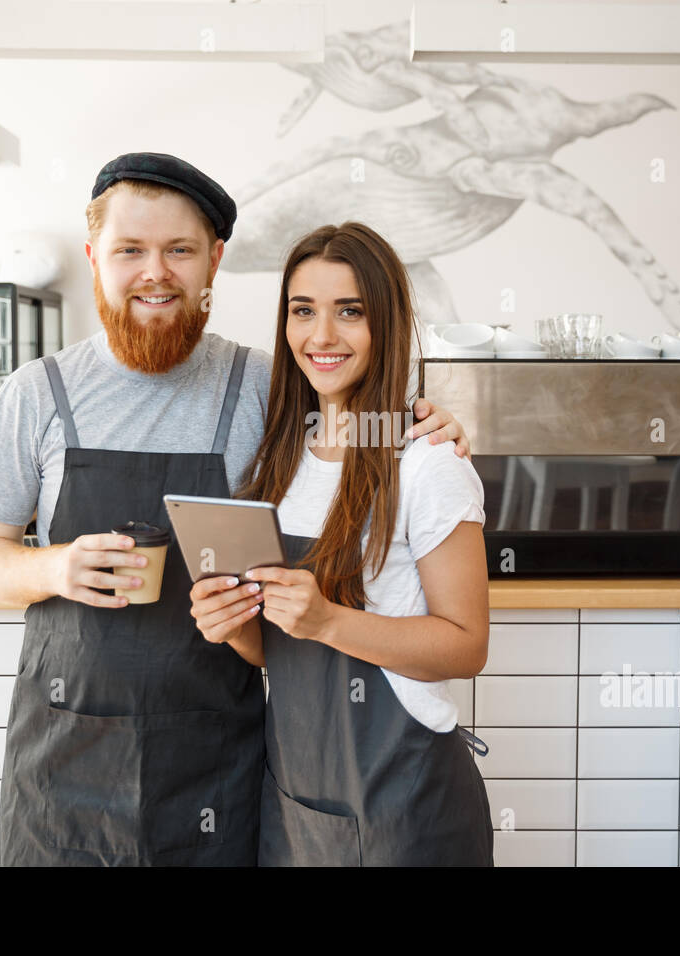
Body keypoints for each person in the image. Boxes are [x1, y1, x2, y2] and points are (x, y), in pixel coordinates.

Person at [0, 153, 471, 866]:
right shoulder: (37, 393)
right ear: (94, 258)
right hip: (63, 762)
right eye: (130, 250)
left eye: (179, 251)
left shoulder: (265, 389)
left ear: (214, 262)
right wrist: (56, 567)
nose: (154, 273)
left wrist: (424, 420)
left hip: (215, 766)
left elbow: (352, 413)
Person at [189, 221, 493, 866]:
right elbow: (275, 652)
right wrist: (234, 627)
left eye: (349, 312)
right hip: (297, 803)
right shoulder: (280, 460)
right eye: (304, 311)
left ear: (386, 323)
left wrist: (328, 619)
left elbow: (466, 646)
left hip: (406, 808)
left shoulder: (427, 462)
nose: (321, 336)